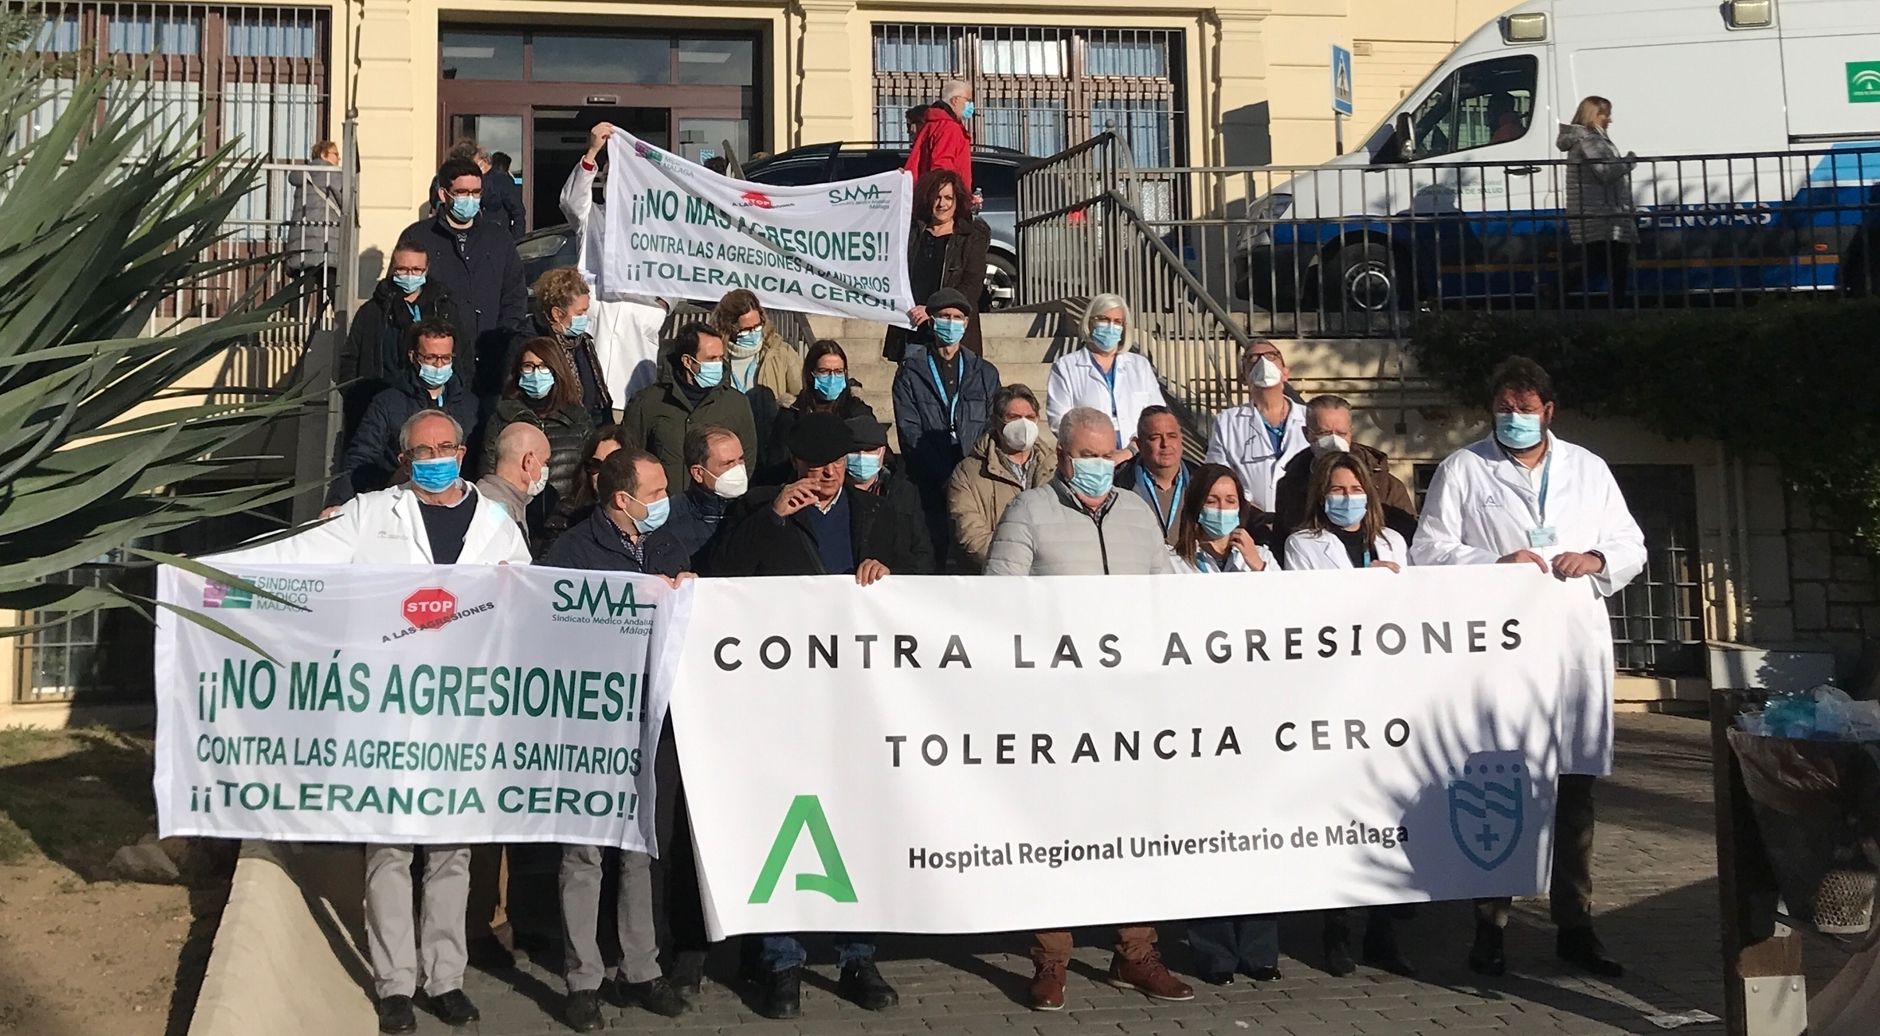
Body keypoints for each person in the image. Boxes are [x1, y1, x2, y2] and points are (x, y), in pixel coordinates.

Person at [210, 410, 529, 1035]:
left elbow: (526, 606)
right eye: (421, 451)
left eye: (445, 447)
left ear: (463, 453)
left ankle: (447, 979)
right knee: (388, 850)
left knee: (450, 851)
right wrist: (214, 579)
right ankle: (394, 986)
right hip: (389, 709)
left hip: (462, 711)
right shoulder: (370, 514)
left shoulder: (498, 526)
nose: (434, 457)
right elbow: (297, 558)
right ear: (404, 460)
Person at [1409, 356, 1646, 980]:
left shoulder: (1588, 469)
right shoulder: (1464, 469)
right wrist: (1495, 559)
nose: (1514, 418)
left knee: (1573, 797)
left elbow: (1631, 544)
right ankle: (1491, 928)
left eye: (1526, 407)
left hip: (1572, 652)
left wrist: (1596, 557)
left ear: (1549, 409)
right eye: (1504, 408)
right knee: (1500, 789)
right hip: (1501, 655)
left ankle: (1576, 926)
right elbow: (1428, 549)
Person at [981, 408, 1191, 1009]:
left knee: (1133, 826)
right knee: (1056, 830)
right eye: (1088, 456)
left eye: (1109, 456)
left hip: (1130, 703)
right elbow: (1001, 600)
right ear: (1064, 455)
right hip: (1058, 706)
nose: (1100, 467)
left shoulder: (1136, 512)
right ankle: (1051, 958)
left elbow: (1164, 593)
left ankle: (1136, 952)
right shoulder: (1029, 512)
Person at [709, 412, 904, 1020]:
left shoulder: (876, 511)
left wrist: (888, 575)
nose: (829, 474)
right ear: (796, 464)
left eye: (838, 463)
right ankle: (782, 959)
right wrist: (774, 518)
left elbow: (922, 576)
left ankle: (856, 954)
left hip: (857, 693)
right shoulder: (762, 512)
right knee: (787, 822)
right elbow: (718, 577)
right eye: (818, 464)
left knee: (855, 822)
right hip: (785, 696)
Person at [540, 448, 691, 1032]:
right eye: (654, 493)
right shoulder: (575, 552)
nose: (663, 501)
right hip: (590, 724)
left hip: (651, 719)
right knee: (584, 853)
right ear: (621, 500)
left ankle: (641, 968)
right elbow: (546, 623)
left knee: (639, 848)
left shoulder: (667, 544)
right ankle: (583, 979)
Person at [563, 122, 673, 403]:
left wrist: (661, 307)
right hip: (597, 323)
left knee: (631, 418)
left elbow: (678, 270)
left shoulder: (661, 228)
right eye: (613, 174)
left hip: (637, 333)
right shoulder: (592, 216)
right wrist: (593, 151)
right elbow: (572, 202)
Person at [892, 287, 1001, 567]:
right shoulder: (910, 370)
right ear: (931, 320)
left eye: (957, 317)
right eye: (944, 316)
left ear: (965, 324)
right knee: (934, 557)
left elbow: (992, 427)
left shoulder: (985, 372)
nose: (950, 322)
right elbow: (910, 431)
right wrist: (943, 478)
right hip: (929, 482)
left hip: (973, 479)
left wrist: (968, 475)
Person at [400, 156, 527, 395]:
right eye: (462, 192)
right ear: (443, 194)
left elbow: (514, 294)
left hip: (491, 363)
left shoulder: (498, 239)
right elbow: (401, 295)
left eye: (476, 192)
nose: (470, 199)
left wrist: (503, 338)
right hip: (435, 365)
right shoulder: (418, 237)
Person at [330, 318, 480, 506]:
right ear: (413, 356)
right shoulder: (388, 403)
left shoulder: (470, 405)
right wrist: (337, 502)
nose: (439, 365)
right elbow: (360, 457)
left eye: (446, 358)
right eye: (431, 358)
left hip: (454, 500)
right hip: (400, 499)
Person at [337, 237, 456, 441]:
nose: (410, 275)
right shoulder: (372, 312)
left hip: (433, 411)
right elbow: (349, 363)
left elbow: (461, 358)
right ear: (393, 269)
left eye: (416, 270)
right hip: (381, 413)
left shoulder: (444, 309)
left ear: (426, 270)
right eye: (403, 269)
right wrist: (362, 404)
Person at [620, 322, 758, 496]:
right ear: (687, 361)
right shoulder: (648, 402)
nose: (718, 364)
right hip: (665, 509)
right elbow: (631, 458)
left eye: (720, 357)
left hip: (718, 509)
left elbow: (748, 458)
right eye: (710, 359)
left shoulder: (736, 403)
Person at [1272, 395, 1417, 557]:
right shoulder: (1291, 485)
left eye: (1341, 433)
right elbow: (1280, 544)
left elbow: (1410, 539)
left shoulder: (1384, 484)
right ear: (1307, 433)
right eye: (1324, 433)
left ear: (1351, 433)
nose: (1333, 440)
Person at [883, 169, 990, 361]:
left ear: (957, 201)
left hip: (953, 332)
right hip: (913, 330)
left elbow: (972, 284)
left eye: (948, 197)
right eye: (937, 197)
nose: (942, 204)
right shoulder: (912, 231)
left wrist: (934, 310)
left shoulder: (972, 235)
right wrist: (895, 184)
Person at [1044, 294, 1165, 462]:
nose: (1110, 326)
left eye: (1117, 322)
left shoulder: (1140, 366)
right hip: (1090, 459)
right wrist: (1095, 451)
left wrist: (1130, 450)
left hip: (1137, 456)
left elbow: (1157, 415)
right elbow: (1059, 420)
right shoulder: (1066, 367)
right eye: (1103, 319)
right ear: (1090, 322)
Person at [946, 384, 1053, 571]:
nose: (1024, 424)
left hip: (1048, 576)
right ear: (996, 422)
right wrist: (1015, 564)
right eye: (1013, 418)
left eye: (1029, 417)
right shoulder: (968, 473)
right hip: (994, 578)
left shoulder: (1056, 468)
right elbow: (971, 535)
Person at [478, 337, 594, 505]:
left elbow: (587, 474)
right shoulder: (503, 416)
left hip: (564, 518)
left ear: (556, 370)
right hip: (514, 512)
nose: (536, 373)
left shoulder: (577, 418)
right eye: (528, 366)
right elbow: (487, 472)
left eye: (543, 366)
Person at [1205, 339, 1307, 514]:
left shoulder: (1309, 417)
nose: (1263, 362)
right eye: (1252, 358)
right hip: (1251, 522)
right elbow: (1217, 474)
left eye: (1271, 356)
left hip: (1304, 518)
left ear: (1285, 373)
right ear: (1243, 377)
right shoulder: (1227, 422)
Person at [1557, 96, 1638, 307]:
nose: (1609, 120)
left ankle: (1556, 293)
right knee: (1611, 261)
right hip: (1601, 212)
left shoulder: (1584, 139)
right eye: (1606, 114)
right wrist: (1628, 162)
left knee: (1600, 261)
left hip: (1596, 210)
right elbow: (1606, 172)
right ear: (1595, 116)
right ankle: (1616, 306)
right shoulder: (1590, 140)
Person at [765, 340, 876, 485]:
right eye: (824, 371)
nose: (832, 378)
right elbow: (777, 463)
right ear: (810, 373)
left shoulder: (858, 411)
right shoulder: (792, 413)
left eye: (838, 372)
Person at [712, 289, 801, 459]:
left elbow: (800, 395)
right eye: (746, 330)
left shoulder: (782, 352)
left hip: (770, 444)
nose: (754, 333)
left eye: (757, 326)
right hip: (728, 445)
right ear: (729, 328)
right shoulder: (717, 357)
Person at [845, 416, 934, 574]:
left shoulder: (904, 491)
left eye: (869, 450)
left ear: (882, 452)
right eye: (854, 451)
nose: (861, 456)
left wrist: (893, 576)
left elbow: (922, 551)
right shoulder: (834, 495)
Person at [528, 267, 615, 427]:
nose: (584, 318)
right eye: (580, 313)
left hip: (585, 429)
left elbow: (595, 396)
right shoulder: (532, 344)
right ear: (557, 314)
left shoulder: (583, 343)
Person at [665, 424, 749, 571]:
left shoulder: (754, 510)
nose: (738, 469)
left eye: (740, 460)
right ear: (698, 473)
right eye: (727, 464)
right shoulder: (669, 518)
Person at [1114, 405, 1198, 544]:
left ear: (1180, 439)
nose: (1165, 444)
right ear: (1139, 444)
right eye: (1155, 437)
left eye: (1172, 436)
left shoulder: (1201, 480)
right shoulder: (1119, 483)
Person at [1169, 463, 1274, 575]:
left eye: (1230, 501)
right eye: (1211, 501)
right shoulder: (1173, 561)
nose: (1222, 508)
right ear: (1196, 506)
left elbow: (1284, 591)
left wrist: (1259, 566)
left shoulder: (1262, 556)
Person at [285, 140, 341, 314]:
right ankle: (343, 324)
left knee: (301, 288)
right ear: (324, 155)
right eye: (335, 154)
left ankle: (293, 329)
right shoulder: (331, 173)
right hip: (326, 240)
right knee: (333, 286)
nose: (338, 159)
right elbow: (345, 200)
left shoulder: (303, 175)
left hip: (301, 242)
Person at [473, 420, 552, 543]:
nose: (546, 469)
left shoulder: (512, 501)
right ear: (529, 461)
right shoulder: (496, 507)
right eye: (545, 462)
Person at [904, 79, 974, 196]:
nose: (970, 105)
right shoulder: (949, 127)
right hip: (947, 199)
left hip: (927, 195)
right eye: (968, 100)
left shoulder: (932, 124)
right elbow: (942, 165)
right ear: (955, 100)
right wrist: (949, 197)